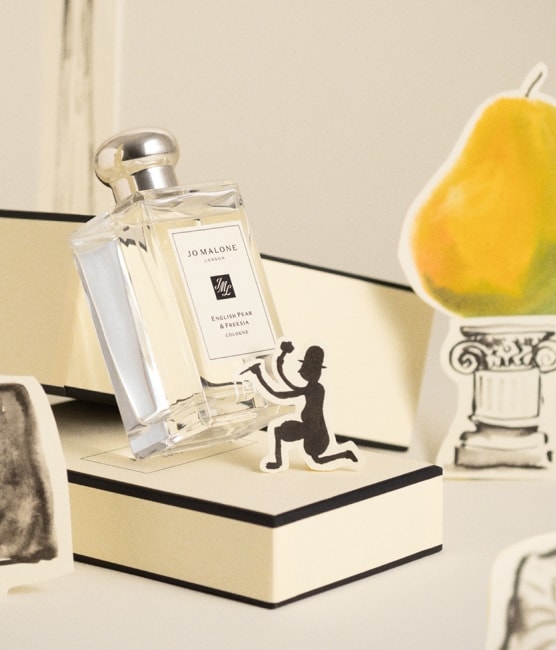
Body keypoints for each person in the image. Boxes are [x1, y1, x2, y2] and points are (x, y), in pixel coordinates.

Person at [244, 341, 359, 471]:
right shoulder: (313, 388)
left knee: (281, 434)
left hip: (313, 431)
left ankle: (278, 462)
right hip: (312, 429)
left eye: (306, 367)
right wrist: (278, 361)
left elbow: (279, 393)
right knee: (316, 459)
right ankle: (346, 454)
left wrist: (259, 374)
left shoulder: (315, 389)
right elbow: (284, 387)